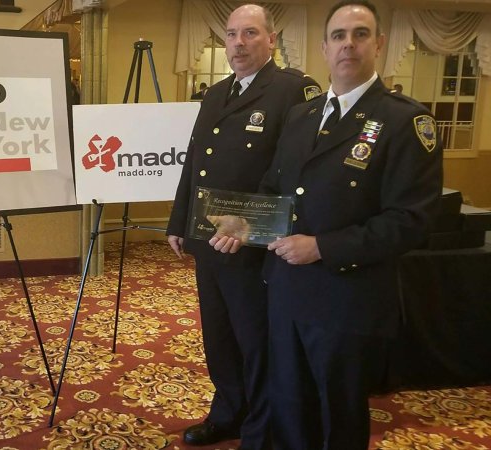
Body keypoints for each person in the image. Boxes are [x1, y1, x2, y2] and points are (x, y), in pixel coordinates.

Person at [211, 2, 442, 449]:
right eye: (338, 36)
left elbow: (411, 221)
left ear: (379, 44)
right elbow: (275, 187)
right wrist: (245, 222)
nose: (348, 44)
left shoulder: (405, 121)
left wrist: (323, 247)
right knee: (288, 404)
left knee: (336, 415)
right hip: (286, 291)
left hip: (347, 299)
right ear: (324, 47)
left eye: (360, 34)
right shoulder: (302, 116)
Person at [166, 4, 320, 448]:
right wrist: (179, 220)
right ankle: (228, 413)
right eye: (232, 34)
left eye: (250, 33)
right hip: (208, 238)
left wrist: (249, 225)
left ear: (272, 39)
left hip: (253, 246)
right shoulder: (216, 93)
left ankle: (261, 428)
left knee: (256, 340)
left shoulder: (294, 90)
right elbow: (196, 162)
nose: (239, 42)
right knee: (219, 336)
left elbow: (297, 173)